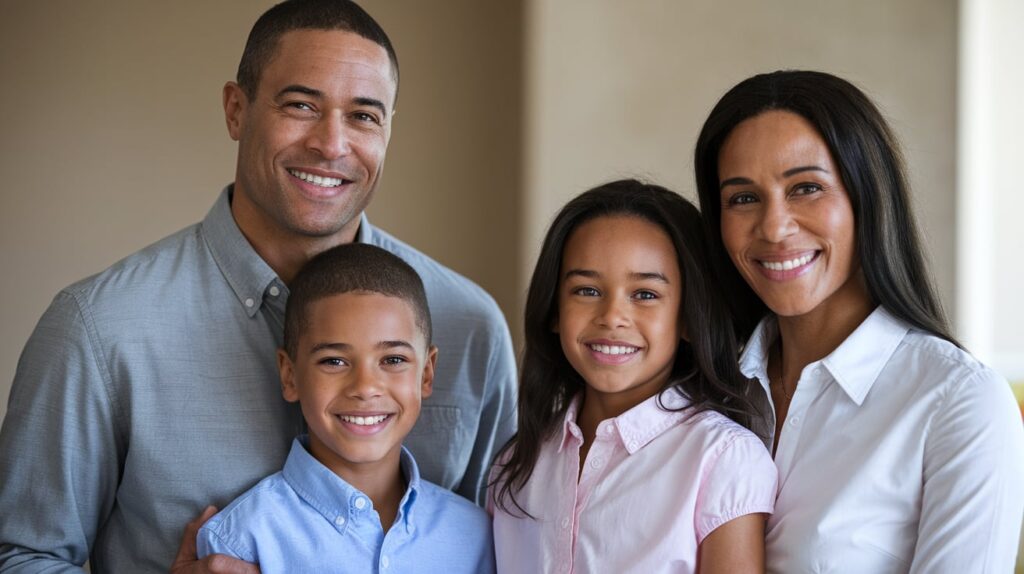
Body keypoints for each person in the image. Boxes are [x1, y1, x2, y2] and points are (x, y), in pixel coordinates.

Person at [0, 1, 516, 572]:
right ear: (236, 111)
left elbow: (511, 546)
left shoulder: (471, 327)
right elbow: (21, 556)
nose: (331, 144)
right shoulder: (99, 328)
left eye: (364, 116)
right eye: (301, 105)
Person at [694, 70, 1024, 572]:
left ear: (867, 197)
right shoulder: (699, 391)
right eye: (742, 198)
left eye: (805, 187)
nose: (774, 226)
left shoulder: (959, 402)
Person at [489, 179, 777, 573]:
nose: (611, 317)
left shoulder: (722, 458)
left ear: (690, 319)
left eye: (645, 294)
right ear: (554, 310)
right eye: (587, 290)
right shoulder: (515, 465)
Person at [196, 243, 495, 573]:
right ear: (290, 374)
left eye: (393, 360)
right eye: (334, 361)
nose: (365, 387)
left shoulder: (478, 536)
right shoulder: (239, 541)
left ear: (426, 373)